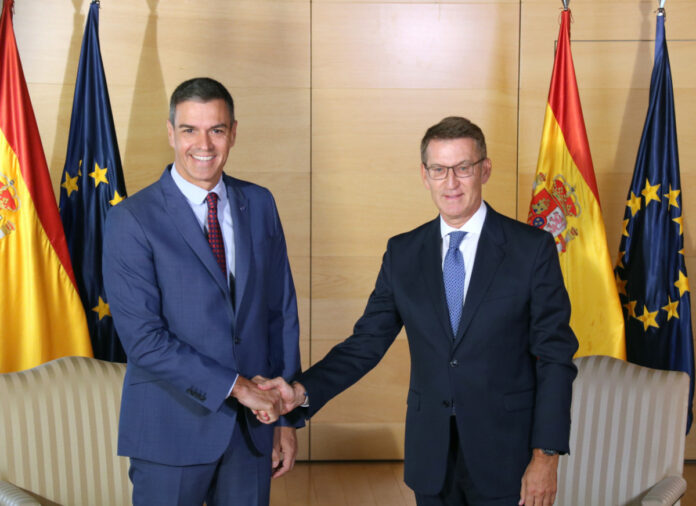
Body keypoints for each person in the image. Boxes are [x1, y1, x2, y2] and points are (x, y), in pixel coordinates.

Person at [260, 117, 579, 506]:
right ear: (425, 176)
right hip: (431, 458)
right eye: (439, 170)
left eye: (463, 168)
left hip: (508, 456)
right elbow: (365, 344)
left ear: (485, 170)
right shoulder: (403, 253)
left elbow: (555, 358)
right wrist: (301, 391)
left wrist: (546, 456)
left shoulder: (531, 249)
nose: (451, 182)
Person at [103, 77, 302, 506]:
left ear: (233, 132)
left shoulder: (260, 203)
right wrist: (239, 387)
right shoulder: (131, 220)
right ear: (170, 133)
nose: (204, 144)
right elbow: (144, 341)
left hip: (252, 432)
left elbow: (280, 313)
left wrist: (286, 419)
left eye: (216, 129)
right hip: (170, 431)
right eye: (190, 129)